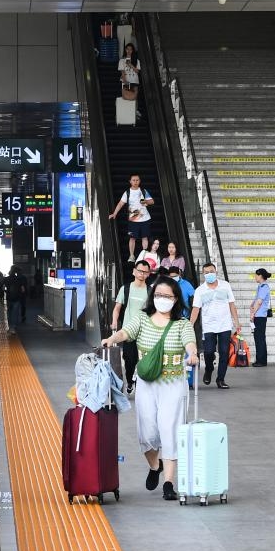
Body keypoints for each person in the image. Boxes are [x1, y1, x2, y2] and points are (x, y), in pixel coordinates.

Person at [101, 277, 198, 502]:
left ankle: (168, 483)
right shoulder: (143, 319)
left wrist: (192, 353)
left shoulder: (182, 324)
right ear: (152, 297)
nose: (163, 300)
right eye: (159, 295)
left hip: (173, 384)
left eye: (168, 296)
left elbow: (189, 342)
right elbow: (126, 332)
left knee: (170, 430)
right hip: (146, 383)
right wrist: (112, 339)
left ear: (176, 299)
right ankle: (156, 466)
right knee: (147, 432)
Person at [189, 263, 241, 389]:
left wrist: (237, 322)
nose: (209, 274)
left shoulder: (225, 285)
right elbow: (196, 309)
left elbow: (231, 305)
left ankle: (220, 379)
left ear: (216, 271)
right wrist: (190, 325)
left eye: (211, 271)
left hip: (225, 325)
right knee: (208, 351)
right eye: (206, 272)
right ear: (203, 274)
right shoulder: (200, 291)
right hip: (209, 326)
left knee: (224, 352)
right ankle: (209, 369)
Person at [111, 260, 152, 394]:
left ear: (148, 274)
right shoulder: (126, 288)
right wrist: (114, 322)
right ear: (134, 271)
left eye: (145, 272)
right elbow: (117, 308)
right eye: (140, 271)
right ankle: (130, 381)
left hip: (145, 333)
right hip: (128, 332)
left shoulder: (150, 291)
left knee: (143, 361)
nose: (142, 274)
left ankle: (140, 384)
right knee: (129, 360)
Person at [108, 174, 155, 262]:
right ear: (130, 181)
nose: (135, 182)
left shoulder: (143, 191)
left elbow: (152, 201)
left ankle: (144, 256)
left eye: (137, 180)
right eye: (133, 180)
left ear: (139, 181)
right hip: (133, 219)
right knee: (132, 238)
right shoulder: (127, 192)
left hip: (145, 218)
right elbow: (121, 203)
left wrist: (145, 201)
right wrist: (114, 213)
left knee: (144, 237)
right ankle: (132, 256)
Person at [249, 268, 272, 367]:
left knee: (260, 338)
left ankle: (261, 361)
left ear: (261, 276)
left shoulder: (264, 287)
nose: (255, 277)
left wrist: (252, 314)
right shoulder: (260, 287)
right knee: (258, 338)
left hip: (260, 316)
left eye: (256, 275)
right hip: (259, 316)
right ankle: (260, 360)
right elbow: (256, 301)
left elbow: (259, 302)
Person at [4, 265, 27, 335]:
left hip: (9, 298)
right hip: (17, 298)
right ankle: (13, 328)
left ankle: (10, 327)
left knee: (9, 313)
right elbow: (23, 290)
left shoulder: (6, 279)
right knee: (15, 313)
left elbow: (3, 288)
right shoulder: (19, 279)